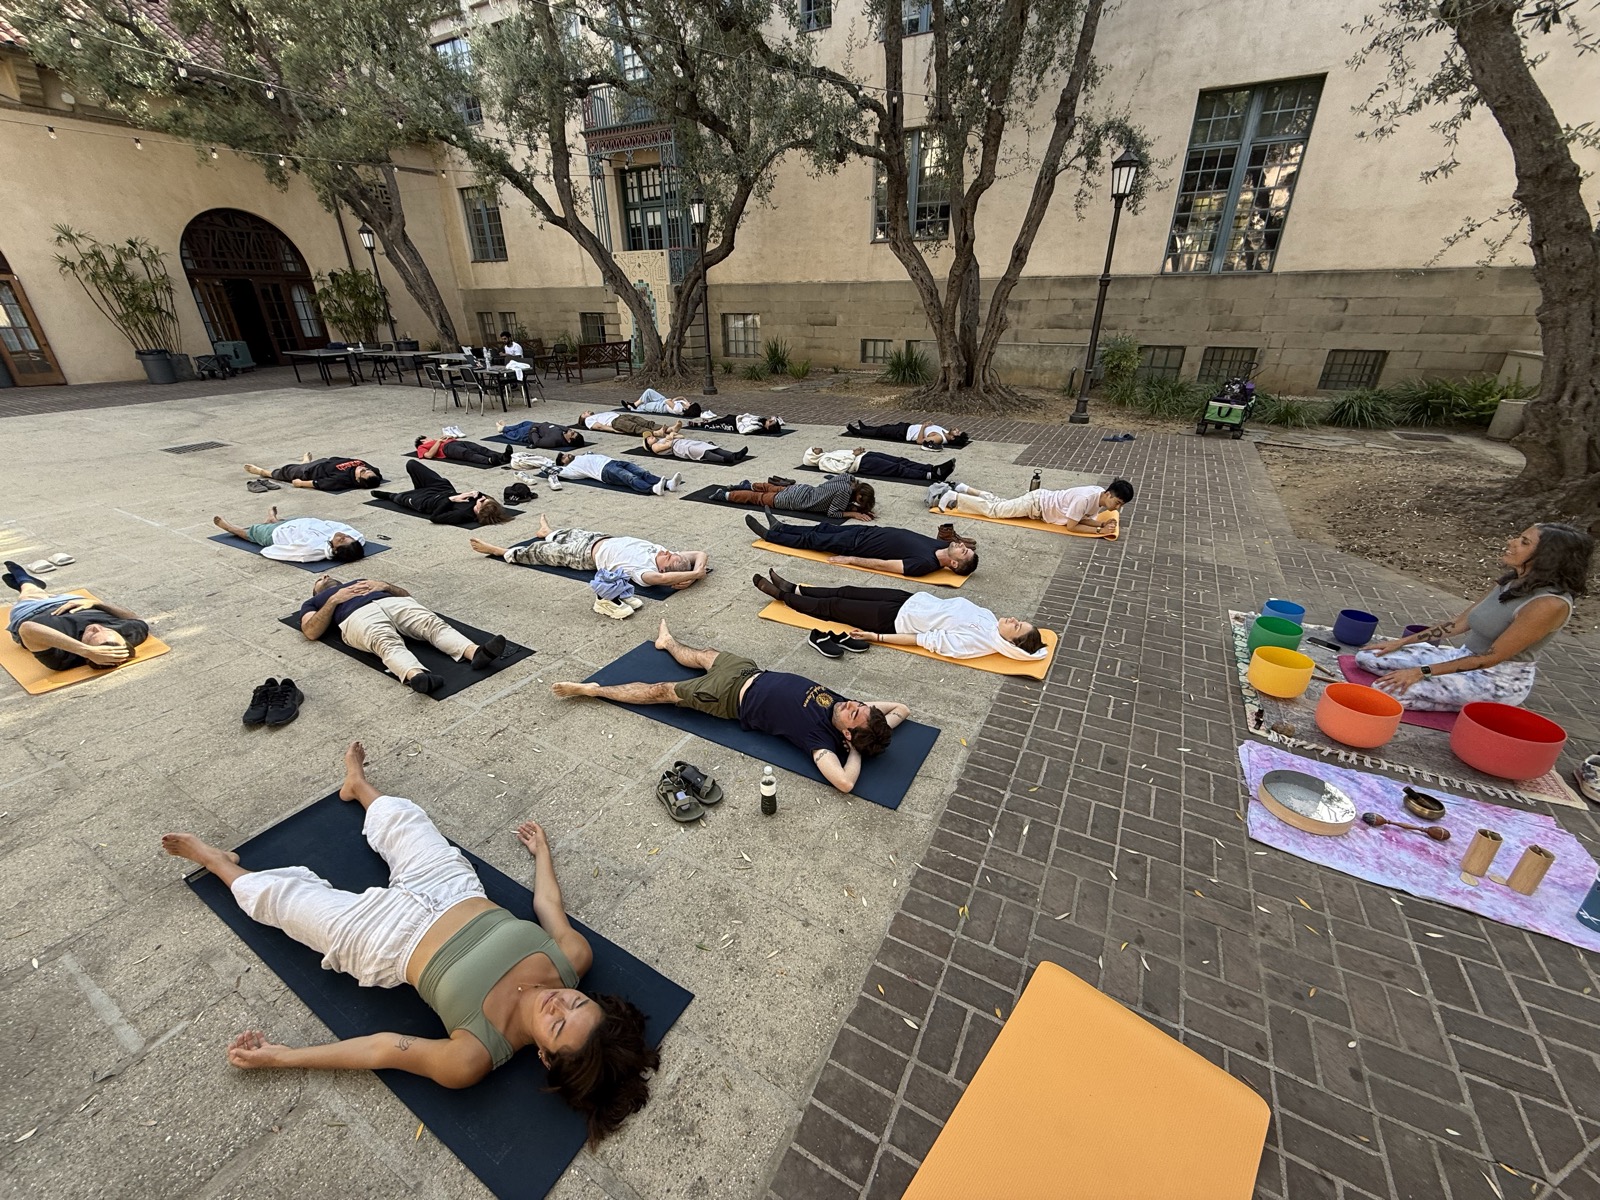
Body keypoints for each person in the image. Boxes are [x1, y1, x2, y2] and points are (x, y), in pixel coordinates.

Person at [160, 741, 656, 1143]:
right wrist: (542, 853)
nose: (557, 1004)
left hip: (386, 941)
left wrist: (281, 1057)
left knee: (276, 901)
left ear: (546, 1057)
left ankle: (216, 861)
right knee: (407, 822)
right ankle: (359, 785)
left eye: (557, 1026)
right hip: (452, 889)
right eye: (575, 1002)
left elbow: (382, 1050)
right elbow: (549, 908)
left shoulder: (473, 1057)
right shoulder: (572, 959)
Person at [551, 620, 908, 794]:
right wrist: (872, 726)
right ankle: (669, 643)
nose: (853, 704)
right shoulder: (848, 711)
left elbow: (845, 783)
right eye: (859, 705)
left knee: (661, 691)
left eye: (855, 714)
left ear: (847, 733)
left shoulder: (820, 740)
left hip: (726, 697)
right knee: (702, 654)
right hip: (747, 669)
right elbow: (901, 708)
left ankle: (595, 691)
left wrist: (854, 751)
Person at [1356, 523, 1594, 711]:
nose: (1511, 542)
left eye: (1524, 542)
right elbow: (1459, 623)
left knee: (1386, 691)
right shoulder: (1514, 580)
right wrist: (1401, 642)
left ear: (1548, 556)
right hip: (1462, 657)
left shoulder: (1549, 604)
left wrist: (1421, 671)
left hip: (1496, 679)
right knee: (1368, 656)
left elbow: (1490, 659)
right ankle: (1448, 698)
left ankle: (1476, 708)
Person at [752, 570, 1046, 660]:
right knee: (846, 590)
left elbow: (922, 639)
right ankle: (798, 588)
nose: (1014, 620)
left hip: (892, 620)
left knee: (834, 608)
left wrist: (877, 637)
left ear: (1011, 643)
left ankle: (784, 597)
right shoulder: (991, 622)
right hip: (908, 600)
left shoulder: (977, 643)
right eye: (1020, 621)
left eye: (1017, 627)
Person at [298, 574, 510, 693]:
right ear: (317, 591)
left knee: (431, 623)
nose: (324, 575)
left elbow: (407, 596)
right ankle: (416, 676)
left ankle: (475, 653)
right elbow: (310, 631)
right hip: (356, 616)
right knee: (385, 642)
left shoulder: (360, 580)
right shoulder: (315, 601)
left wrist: (385, 586)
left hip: (392, 602)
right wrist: (334, 600)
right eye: (319, 580)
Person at [470, 515, 709, 590]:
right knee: (569, 532)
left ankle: (501, 551)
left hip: (583, 557)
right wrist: (696, 572)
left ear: (664, 568)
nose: (667, 551)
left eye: (669, 557)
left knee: (540, 553)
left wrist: (690, 578)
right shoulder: (663, 554)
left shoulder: (644, 573)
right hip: (598, 538)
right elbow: (699, 553)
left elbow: (663, 580)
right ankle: (549, 531)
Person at [3, 561, 149, 670]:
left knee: (31, 594)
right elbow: (134, 619)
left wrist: (84, 650)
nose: (97, 627)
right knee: (38, 593)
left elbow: (27, 629)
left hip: (32, 609)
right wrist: (95, 604)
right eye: (108, 630)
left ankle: (25, 581)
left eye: (92, 635)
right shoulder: (130, 633)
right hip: (71, 601)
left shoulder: (64, 658)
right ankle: (27, 582)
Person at [748, 514, 978, 577]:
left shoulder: (924, 565)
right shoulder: (940, 545)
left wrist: (850, 560)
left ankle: (771, 536)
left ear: (955, 563)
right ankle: (781, 527)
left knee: (812, 540)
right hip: (866, 531)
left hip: (855, 545)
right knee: (821, 528)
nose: (960, 545)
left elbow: (884, 565)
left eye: (963, 551)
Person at [930, 479, 1133, 537]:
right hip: (1035, 504)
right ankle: (954, 496)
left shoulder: (1098, 497)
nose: (1117, 508)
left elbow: (1082, 518)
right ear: (1108, 494)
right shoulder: (1085, 498)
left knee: (999, 503)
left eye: (1120, 505)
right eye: (1117, 503)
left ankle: (967, 489)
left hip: (1038, 504)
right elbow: (1072, 526)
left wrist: (1101, 522)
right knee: (995, 511)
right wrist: (1099, 529)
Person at [372, 460, 515, 526]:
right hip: (441, 488)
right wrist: (475, 492)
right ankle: (417, 489)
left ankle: (389, 495)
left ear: (478, 510)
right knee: (411, 464)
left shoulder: (461, 515)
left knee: (396, 497)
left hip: (427, 501)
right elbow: (485, 498)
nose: (483, 498)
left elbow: (435, 518)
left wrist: (452, 500)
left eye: (482, 501)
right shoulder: (481, 501)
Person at [213, 507, 366, 563]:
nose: (343, 536)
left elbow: (287, 553)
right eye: (347, 538)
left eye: (341, 541)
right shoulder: (356, 539)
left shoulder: (311, 550)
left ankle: (231, 528)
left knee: (252, 532)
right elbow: (358, 538)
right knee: (280, 521)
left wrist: (267, 550)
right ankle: (272, 519)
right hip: (300, 522)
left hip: (276, 533)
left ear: (334, 549)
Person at [719, 475, 876, 521]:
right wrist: (853, 514)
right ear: (859, 494)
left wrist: (855, 507)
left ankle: (747, 485)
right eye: (859, 500)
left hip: (802, 489)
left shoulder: (848, 482)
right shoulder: (844, 493)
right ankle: (726, 495)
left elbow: (845, 474)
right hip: (796, 501)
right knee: (759, 499)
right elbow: (832, 513)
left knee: (771, 488)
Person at [550, 451, 681, 496]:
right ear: (563, 463)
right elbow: (553, 470)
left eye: (564, 454)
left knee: (642, 472)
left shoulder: (581, 456)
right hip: (604, 471)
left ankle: (668, 484)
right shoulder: (571, 468)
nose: (566, 455)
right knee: (630, 477)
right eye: (563, 458)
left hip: (613, 461)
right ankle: (652, 489)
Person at [804, 445, 957, 482]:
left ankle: (932, 468)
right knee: (897, 468)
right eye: (813, 450)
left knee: (900, 461)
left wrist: (857, 451)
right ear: (812, 457)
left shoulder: (827, 454)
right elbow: (842, 469)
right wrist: (853, 454)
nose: (817, 448)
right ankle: (930, 475)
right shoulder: (823, 462)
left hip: (866, 456)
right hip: (862, 464)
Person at [245, 454, 383, 492]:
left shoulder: (342, 479)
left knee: (287, 471)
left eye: (363, 471)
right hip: (326, 462)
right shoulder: (374, 474)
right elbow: (374, 475)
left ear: (357, 480)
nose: (363, 468)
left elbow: (319, 483)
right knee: (304, 465)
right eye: (366, 469)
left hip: (310, 472)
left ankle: (264, 472)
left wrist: (300, 483)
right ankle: (305, 462)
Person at [641, 429, 749, 465]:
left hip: (682, 442)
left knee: (709, 447)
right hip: (678, 448)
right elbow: (667, 446)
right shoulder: (655, 447)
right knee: (702, 452)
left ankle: (734, 454)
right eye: (649, 438)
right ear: (648, 445)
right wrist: (670, 438)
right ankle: (726, 459)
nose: (651, 437)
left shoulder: (661, 439)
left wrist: (672, 435)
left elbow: (681, 435)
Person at [845, 419, 969, 449]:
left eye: (957, 432)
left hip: (904, 434)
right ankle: (865, 428)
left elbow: (920, 441)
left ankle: (857, 432)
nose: (956, 429)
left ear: (953, 437)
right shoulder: (945, 432)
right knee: (884, 427)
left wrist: (924, 427)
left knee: (881, 432)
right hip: (908, 427)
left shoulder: (939, 438)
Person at [414, 434, 514, 467]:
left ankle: (502, 456)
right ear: (423, 441)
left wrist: (449, 437)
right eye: (427, 438)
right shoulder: (421, 447)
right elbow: (428, 455)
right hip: (447, 449)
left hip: (454, 442)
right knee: (467, 454)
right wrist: (439, 442)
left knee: (479, 448)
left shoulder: (436, 441)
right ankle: (488, 461)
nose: (430, 438)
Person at [577, 411, 679, 437]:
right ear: (583, 418)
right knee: (635, 427)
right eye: (584, 413)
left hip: (620, 416)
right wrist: (613, 430)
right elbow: (598, 426)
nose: (586, 411)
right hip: (615, 422)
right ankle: (656, 433)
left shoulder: (597, 415)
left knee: (643, 422)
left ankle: (669, 429)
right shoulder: (588, 420)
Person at [498, 419, 587, 450]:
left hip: (529, 432)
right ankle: (505, 427)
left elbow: (537, 442)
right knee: (523, 423)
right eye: (574, 432)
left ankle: (504, 430)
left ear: (569, 440)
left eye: (572, 434)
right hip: (536, 425)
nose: (572, 431)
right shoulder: (565, 432)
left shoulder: (554, 440)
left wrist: (534, 430)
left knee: (515, 434)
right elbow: (560, 426)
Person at [623, 388, 703, 418]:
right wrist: (680, 399)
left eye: (691, 404)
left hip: (660, 406)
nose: (689, 402)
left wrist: (673, 401)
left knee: (644, 406)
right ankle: (635, 405)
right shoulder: (684, 404)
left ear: (690, 408)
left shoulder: (680, 409)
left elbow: (667, 402)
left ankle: (631, 408)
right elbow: (682, 397)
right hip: (664, 401)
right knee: (649, 391)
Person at [687, 412, 785, 436]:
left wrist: (739, 420)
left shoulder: (757, 427)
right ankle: (708, 423)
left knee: (720, 423)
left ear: (768, 427)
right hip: (738, 418)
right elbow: (749, 416)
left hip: (735, 424)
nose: (769, 420)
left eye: (770, 422)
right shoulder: (761, 420)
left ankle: (701, 425)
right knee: (726, 417)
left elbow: (742, 431)